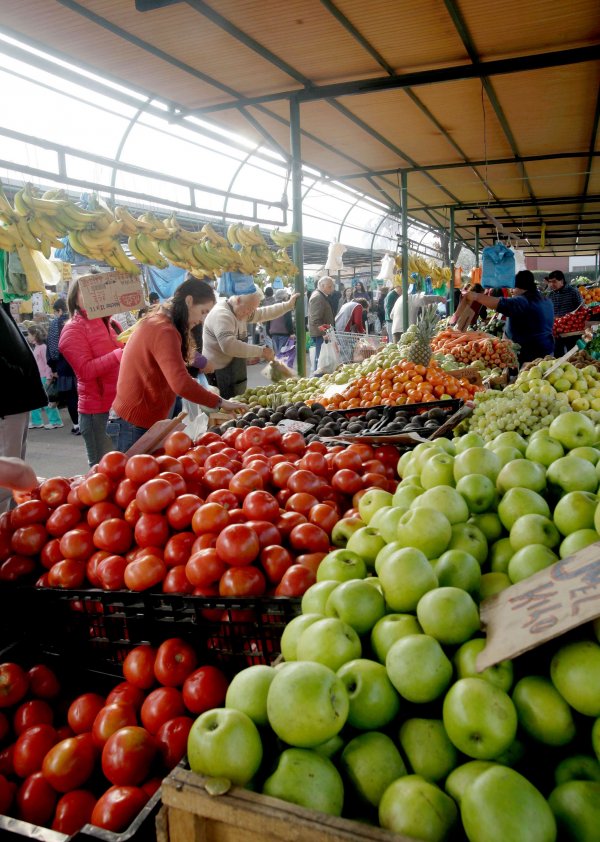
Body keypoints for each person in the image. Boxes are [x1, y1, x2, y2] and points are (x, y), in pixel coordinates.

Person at [109, 278, 246, 450]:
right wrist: (220, 402)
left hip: (140, 420)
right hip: (133, 423)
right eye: (203, 311)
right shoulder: (164, 329)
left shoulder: (162, 322)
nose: (203, 320)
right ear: (189, 301)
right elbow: (180, 383)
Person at [59, 279, 124, 467]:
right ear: (75, 299)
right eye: (86, 292)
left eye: (99, 290)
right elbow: (85, 371)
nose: (94, 295)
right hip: (98, 413)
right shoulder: (73, 329)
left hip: (120, 407)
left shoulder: (113, 324)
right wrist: (118, 354)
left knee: (121, 471)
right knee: (102, 473)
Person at [203, 289, 300, 397]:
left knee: (237, 402)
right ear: (238, 300)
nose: (250, 313)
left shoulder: (241, 310)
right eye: (249, 309)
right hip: (218, 373)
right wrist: (261, 351)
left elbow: (264, 313)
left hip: (235, 370)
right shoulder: (222, 315)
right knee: (222, 408)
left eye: (252, 309)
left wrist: (288, 305)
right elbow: (229, 346)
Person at [0, 302, 47, 513]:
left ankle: (10, 527)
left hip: (16, 402)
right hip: (7, 404)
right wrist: (15, 375)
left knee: (13, 475)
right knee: (9, 479)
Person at [464, 270, 554, 366]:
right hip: (546, 348)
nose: (511, 291)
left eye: (513, 288)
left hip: (529, 355)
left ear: (521, 287)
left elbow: (500, 303)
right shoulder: (546, 300)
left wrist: (476, 296)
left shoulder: (523, 301)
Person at [46, 298, 79, 435]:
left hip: (64, 366)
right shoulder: (77, 319)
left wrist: (54, 368)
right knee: (84, 394)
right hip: (81, 363)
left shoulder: (55, 324)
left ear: (59, 310)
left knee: (71, 397)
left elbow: (53, 349)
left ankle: (77, 425)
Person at [26, 325, 63, 430]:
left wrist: (48, 377)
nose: (27, 336)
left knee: (48, 401)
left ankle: (55, 421)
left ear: (35, 335)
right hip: (39, 377)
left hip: (44, 377)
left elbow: (47, 364)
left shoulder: (42, 347)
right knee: (36, 400)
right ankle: (36, 421)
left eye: (29, 334)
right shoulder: (38, 347)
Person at [546, 270, 584, 356]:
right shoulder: (550, 295)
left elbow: (581, 309)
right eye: (550, 282)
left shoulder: (573, 292)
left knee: (573, 355)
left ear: (562, 281)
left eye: (554, 281)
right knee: (558, 355)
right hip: (557, 331)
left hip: (571, 331)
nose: (552, 284)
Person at [307, 276, 335, 372]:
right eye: (330, 286)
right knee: (320, 359)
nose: (332, 289)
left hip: (322, 333)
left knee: (321, 358)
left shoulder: (320, 296)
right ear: (322, 286)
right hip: (320, 334)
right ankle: (318, 376)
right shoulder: (318, 297)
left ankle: (319, 375)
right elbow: (315, 319)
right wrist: (324, 333)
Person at [267, 289, 295, 356]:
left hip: (273, 333)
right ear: (284, 296)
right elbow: (288, 320)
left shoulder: (271, 306)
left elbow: (268, 320)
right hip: (283, 333)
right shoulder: (285, 306)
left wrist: (269, 332)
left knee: (277, 355)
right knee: (283, 355)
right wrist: (291, 332)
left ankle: (277, 366)